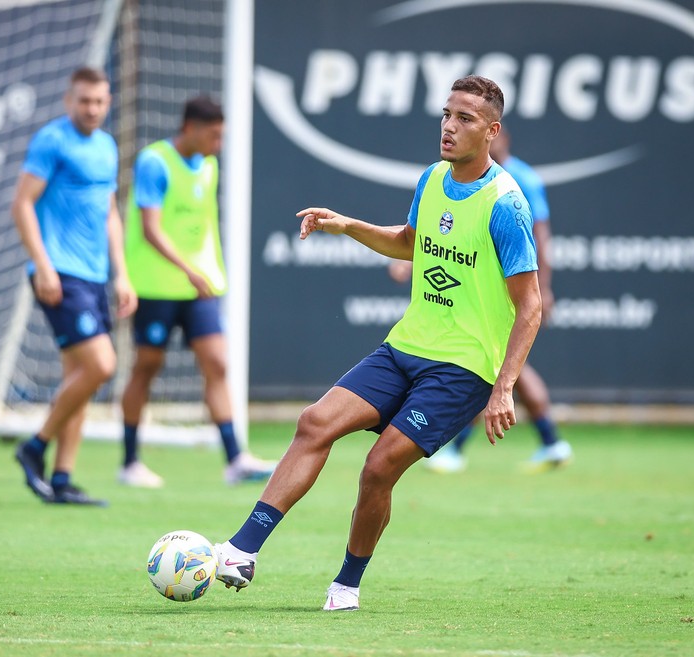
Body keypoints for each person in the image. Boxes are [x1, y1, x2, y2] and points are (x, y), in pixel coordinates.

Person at [212, 76, 542, 611]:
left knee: (378, 466)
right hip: (407, 346)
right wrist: (347, 226)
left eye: (465, 119)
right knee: (314, 423)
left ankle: (345, 586)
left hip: (462, 368)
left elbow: (530, 306)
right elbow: (409, 242)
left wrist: (503, 388)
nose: (449, 127)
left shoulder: (506, 205)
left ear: (492, 130)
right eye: (446, 115)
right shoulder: (434, 178)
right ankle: (240, 550)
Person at [118, 96, 275, 488]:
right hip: (156, 286)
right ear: (189, 127)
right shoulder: (154, 161)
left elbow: (201, 227)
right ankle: (129, 462)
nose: (218, 144)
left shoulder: (208, 165)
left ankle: (235, 459)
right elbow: (151, 228)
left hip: (198, 288)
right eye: (213, 135)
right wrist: (188, 269)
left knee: (217, 364)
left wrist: (207, 272)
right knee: (146, 368)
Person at [402, 125, 572, 473]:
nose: (453, 129)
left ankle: (460, 449)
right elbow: (444, 236)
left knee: (495, 370)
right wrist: (408, 261)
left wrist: (544, 288)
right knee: (503, 371)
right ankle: (550, 441)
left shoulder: (517, 182)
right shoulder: (457, 178)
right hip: (479, 286)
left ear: (493, 135)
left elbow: (540, 236)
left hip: (504, 289)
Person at [11, 67, 136, 506]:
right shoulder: (52, 140)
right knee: (101, 366)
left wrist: (121, 272)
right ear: (69, 101)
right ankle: (34, 447)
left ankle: (62, 479)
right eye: (85, 101)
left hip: (94, 275)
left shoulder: (106, 145)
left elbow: (109, 213)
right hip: (59, 272)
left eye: (100, 101)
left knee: (79, 377)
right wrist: (42, 265)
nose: (93, 109)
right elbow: (22, 203)